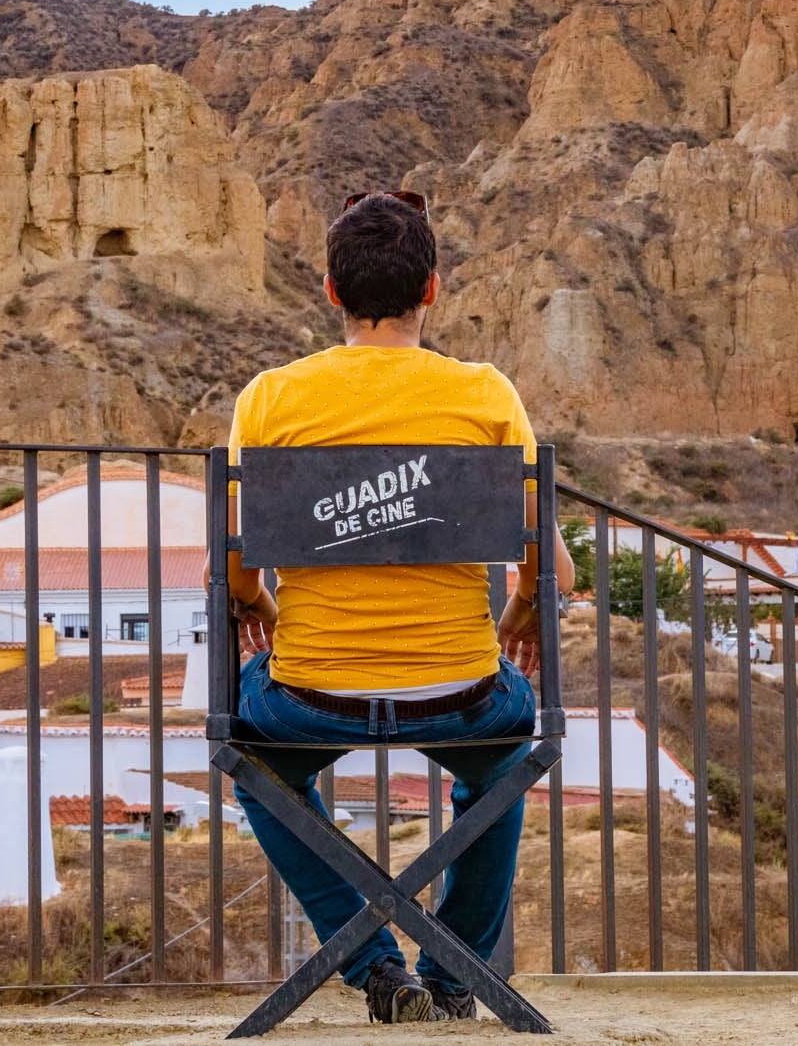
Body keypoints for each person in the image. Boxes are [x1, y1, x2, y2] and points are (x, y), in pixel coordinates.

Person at [225, 191, 574, 1024]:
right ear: (433, 289)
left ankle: (377, 969)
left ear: (331, 292)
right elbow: (549, 565)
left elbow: (230, 569)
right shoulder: (486, 395)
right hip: (460, 693)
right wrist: (522, 606)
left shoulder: (271, 399)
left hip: (309, 695)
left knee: (252, 755)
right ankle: (454, 976)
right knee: (500, 763)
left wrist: (260, 600)